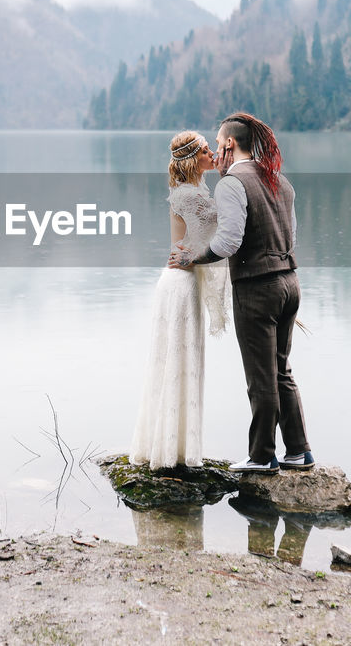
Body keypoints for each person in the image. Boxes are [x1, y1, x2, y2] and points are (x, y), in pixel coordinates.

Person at [169, 112, 312, 474]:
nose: (216, 150)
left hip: (257, 289)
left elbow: (228, 242)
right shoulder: (279, 179)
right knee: (281, 370)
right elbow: (290, 236)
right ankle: (299, 451)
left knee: (261, 376)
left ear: (230, 143)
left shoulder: (232, 184)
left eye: (218, 143)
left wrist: (194, 258)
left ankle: (263, 456)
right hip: (290, 284)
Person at [129, 131, 230, 469]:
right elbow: (227, 229)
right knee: (176, 362)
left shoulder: (195, 191)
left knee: (182, 362)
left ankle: (177, 448)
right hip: (181, 284)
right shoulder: (190, 196)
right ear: (193, 158)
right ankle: (171, 452)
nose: (211, 153)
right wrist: (229, 173)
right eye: (206, 150)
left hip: (185, 281)